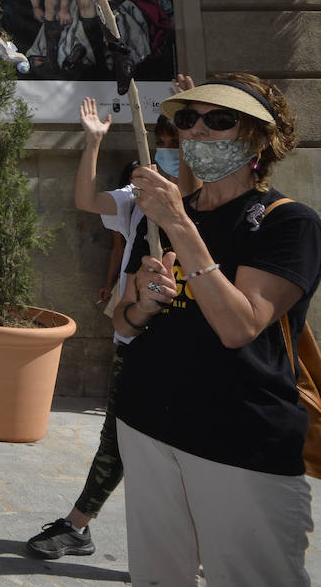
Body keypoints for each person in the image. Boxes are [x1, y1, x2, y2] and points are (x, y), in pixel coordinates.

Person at [113, 74, 320, 584]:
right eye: (187, 119)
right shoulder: (157, 219)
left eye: (219, 120)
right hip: (147, 425)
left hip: (239, 441)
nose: (197, 131)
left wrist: (180, 225)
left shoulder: (286, 223)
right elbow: (122, 323)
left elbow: (239, 326)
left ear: (258, 138)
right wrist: (142, 301)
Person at [25, 103, 179, 559]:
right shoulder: (136, 200)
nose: (168, 154)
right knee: (116, 438)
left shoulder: (207, 209)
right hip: (133, 334)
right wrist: (92, 139)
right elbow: (87, 200)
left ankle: (193, 544)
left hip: (187, 345)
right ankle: (77, 526)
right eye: (165, 145)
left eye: (177, 147)